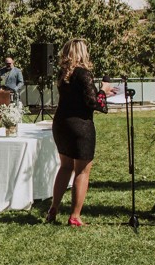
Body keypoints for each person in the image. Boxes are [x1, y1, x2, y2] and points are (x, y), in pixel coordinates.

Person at [47, 39, 115, 227]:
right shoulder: (84, 73)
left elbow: (79, 96)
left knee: (65, 166)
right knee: (82, 170)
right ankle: (75, 216)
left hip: (61, 123)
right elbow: (93, 103)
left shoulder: (63, 74)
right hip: (80, 126)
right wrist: (103, 89)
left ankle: (53, 208)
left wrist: (101, 93)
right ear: (82, 52)